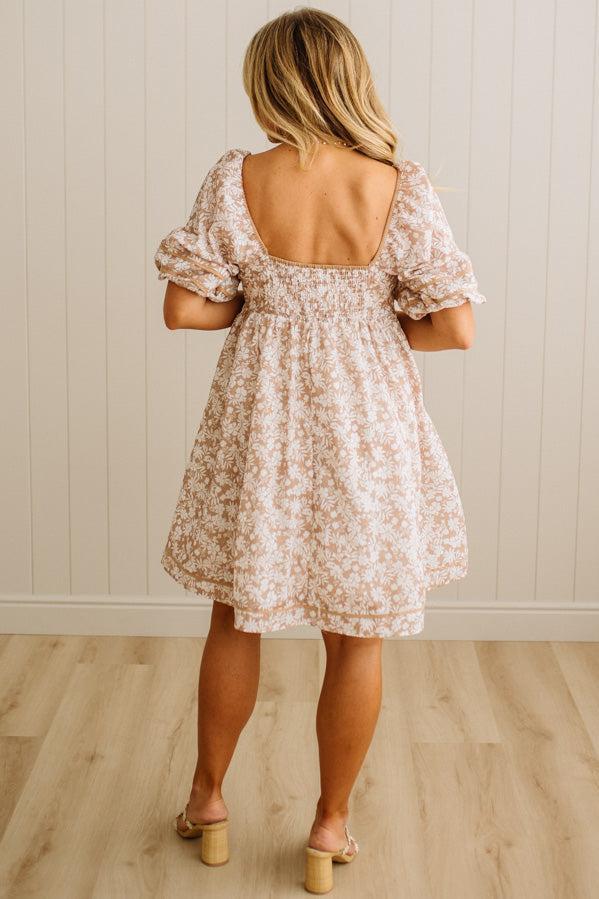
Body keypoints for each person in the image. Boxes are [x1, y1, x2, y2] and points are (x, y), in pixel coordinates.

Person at [153, 6, 486, 893]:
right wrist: (365, 325)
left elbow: (184, 308)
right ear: (348, 81)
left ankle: (208, 801)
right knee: (357, 633)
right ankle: (328, 826)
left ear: (269, 85)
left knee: (236, 613)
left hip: (260, 419)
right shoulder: (396, 186)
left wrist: (267, 305)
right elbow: (454, 328)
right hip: (363, 425)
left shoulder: (237, 178)